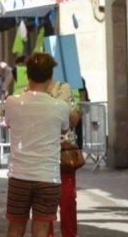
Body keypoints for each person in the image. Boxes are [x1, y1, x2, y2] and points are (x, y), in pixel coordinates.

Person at [4, 53, 70, 237]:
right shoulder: (60, 106)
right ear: (50, 77)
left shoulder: (12, 102)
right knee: (41, 230)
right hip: (48, 176)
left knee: (15, 228)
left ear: (27, 74)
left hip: (19, 174)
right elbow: (64, 129)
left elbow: (8, 123)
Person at [45, 78, 82, 237]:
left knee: (67, 201)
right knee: (45, 205)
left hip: (63, 153)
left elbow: (74, 119)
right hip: (41, 154)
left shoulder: (64, 88)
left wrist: (62, 107)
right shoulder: (29, 92)